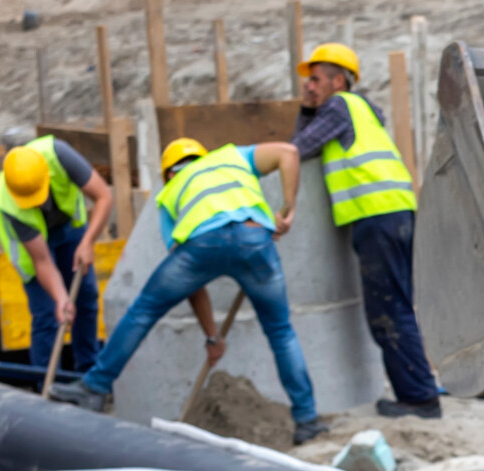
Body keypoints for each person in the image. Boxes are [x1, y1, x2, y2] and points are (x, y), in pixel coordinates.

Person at [67, 138, 324, 444]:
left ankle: (95, 387)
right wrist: (288, 209)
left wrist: (212, 336)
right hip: (256, 238)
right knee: (281, 331)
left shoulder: (170, 193)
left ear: (168, 173)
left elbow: (192, 284)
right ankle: (307, 419)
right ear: (203, 155)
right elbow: (290, 152)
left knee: (143, 311)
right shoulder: (232, 155)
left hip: (201, 244)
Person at [293, 42, 441, 419]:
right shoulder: (361, 112)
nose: (308, 86)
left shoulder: (339, 107)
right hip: (395, 214)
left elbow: (298, 150)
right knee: (399, 306)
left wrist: (304, 113)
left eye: (315, 79)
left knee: (388, 311)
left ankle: (419, 398)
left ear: (338, 81)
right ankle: (419, 389)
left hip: (377, 217)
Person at [0, 134, 113, 381]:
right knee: (48, 314)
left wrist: (88, 242)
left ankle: (87, 376)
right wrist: (60, 299)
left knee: (85, 297)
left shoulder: (60, 155)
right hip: (33, 249)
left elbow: (104, 197)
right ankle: (48, 385)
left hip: (69, 228)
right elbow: (42, 261)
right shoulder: (10, 203)